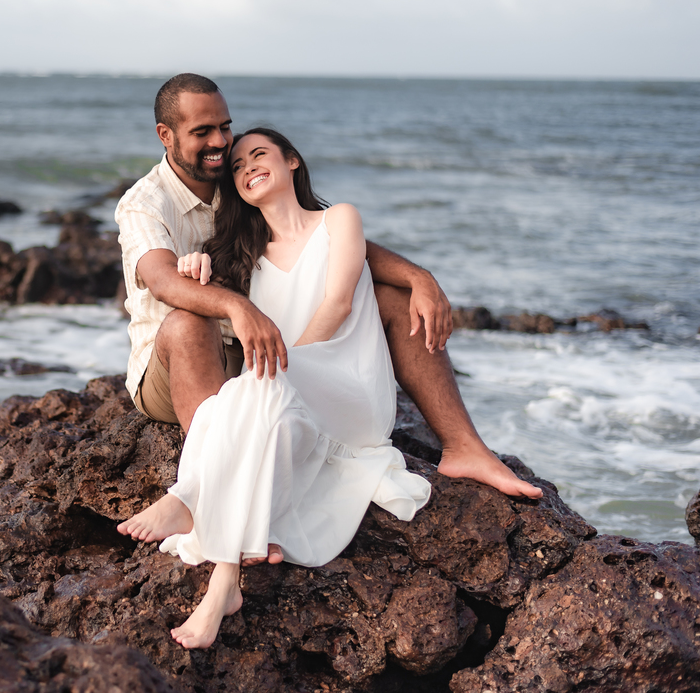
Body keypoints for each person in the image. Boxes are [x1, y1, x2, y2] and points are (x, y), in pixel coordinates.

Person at [112, 75, 543, 640]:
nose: (223, 145)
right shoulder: (147, 203)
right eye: (204, 133)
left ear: (291, 162)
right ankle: (215, 509)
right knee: (198, 325)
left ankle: (464, 446)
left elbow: (340, 248)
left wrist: (419, 276)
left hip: (273, 372)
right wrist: (226, 299)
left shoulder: (246, 199)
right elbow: (166, 281)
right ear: (166, 136)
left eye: (227, 128)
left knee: (385, 299)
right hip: (175, 362)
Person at [157, 127, 434, 647]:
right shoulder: (247, 254)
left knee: (250, 387)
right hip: (288, 400)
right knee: (247, 403)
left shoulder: (339, 220)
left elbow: (338, 304)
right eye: (236, 167)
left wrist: (286, 369)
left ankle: (189, 498)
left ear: (292, 163)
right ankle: (224, 582)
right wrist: (195, 264)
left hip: (351, 394)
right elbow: (205, 288)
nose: (246, 169)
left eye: (258, 156)